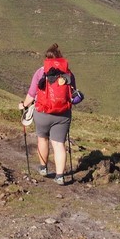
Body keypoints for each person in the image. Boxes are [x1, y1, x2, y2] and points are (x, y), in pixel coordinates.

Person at [18, 43, 77, 185]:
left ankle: (43, 168)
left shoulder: (40, 72)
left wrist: (23, 105)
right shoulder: (68, 74)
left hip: (42, 112)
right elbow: (73, 96)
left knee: (42, 139)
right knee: (59, 145)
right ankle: (60, 176)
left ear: (47, 59)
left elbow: (31, 95)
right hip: (63, 114)